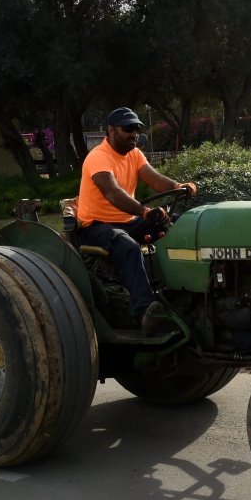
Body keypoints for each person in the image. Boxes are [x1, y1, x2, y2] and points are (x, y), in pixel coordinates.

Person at [76, 107, 196, 335]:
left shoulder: (135, 154)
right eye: (128, 129)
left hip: (127, 221)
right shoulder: (98, 157)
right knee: (128, 247)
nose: (134, 134)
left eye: (137, 129)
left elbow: (154, 178)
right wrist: (144, 212)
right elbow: (113, 193)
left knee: (179, 223)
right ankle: (145, 312)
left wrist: (177, 187)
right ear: (110, 131)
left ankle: (182, 296)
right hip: (96, 226)